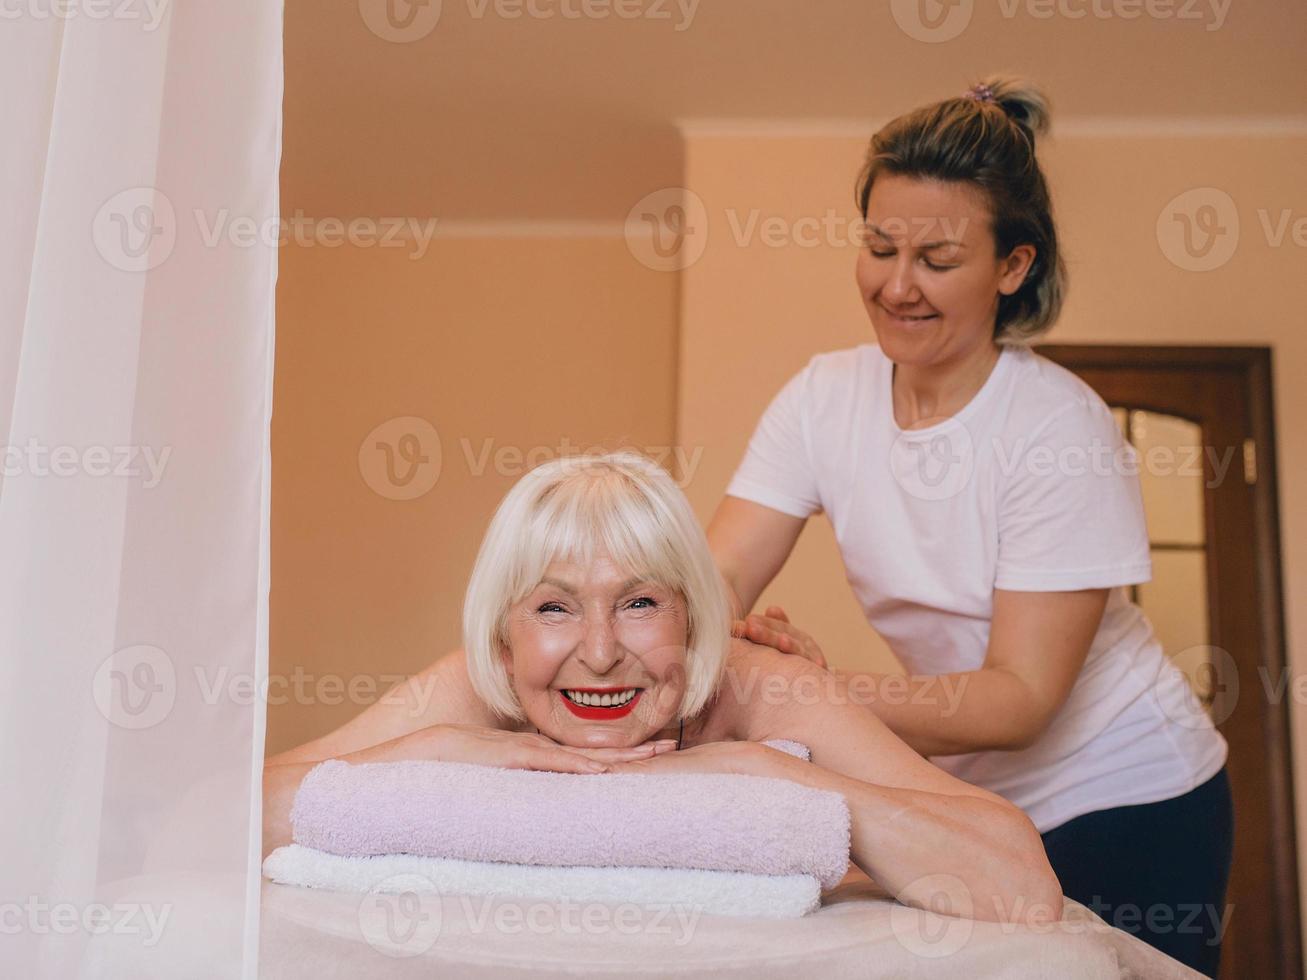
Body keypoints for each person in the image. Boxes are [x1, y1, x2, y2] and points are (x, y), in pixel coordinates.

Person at [706, 75, 1231, 976]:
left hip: (1128, 795)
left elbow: (1019, 699)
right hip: (965, 792)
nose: (896, 286)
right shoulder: (823, 398)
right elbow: (713, 575)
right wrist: (701, 636)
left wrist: (799, 693)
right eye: (878, 248)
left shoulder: (1055, 427)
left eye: (938, 261)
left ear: (1011, 267)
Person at [264, 451, 1062, 925]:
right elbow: (230, 814)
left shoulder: (762, 693)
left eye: (641, 603)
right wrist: (427, 751)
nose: (602, 653)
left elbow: (1020, 882)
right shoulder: (481, 692)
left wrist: (777, 773)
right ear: (504, 639)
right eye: (553, 607)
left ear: (693, 619)